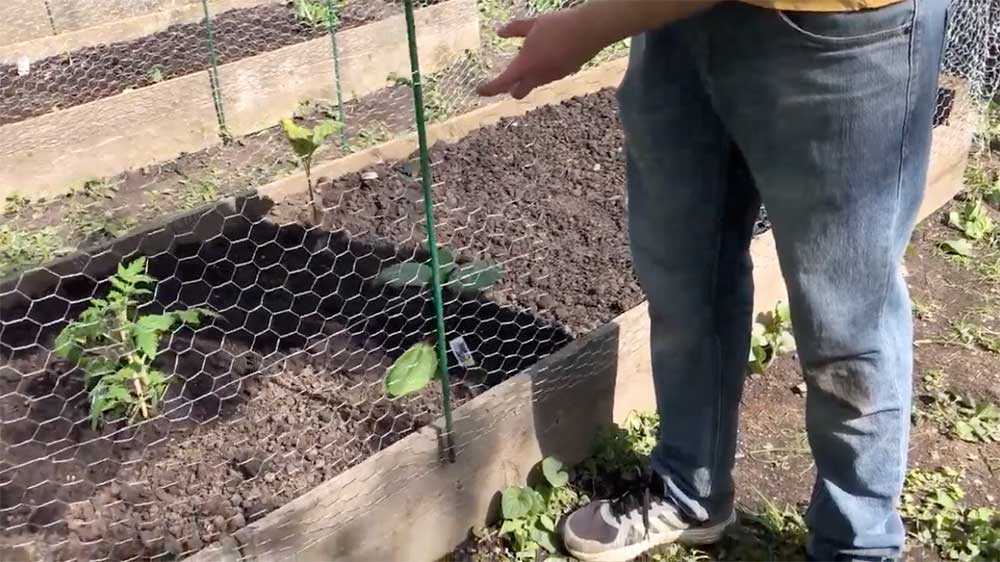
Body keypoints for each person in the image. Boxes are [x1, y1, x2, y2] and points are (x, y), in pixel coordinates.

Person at [477, 1, 949, 561]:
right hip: (671, 21)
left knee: (846, 323)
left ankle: (858, 544)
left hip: (840, 30)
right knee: (684, 278)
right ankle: (689, 488)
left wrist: (585, 27)